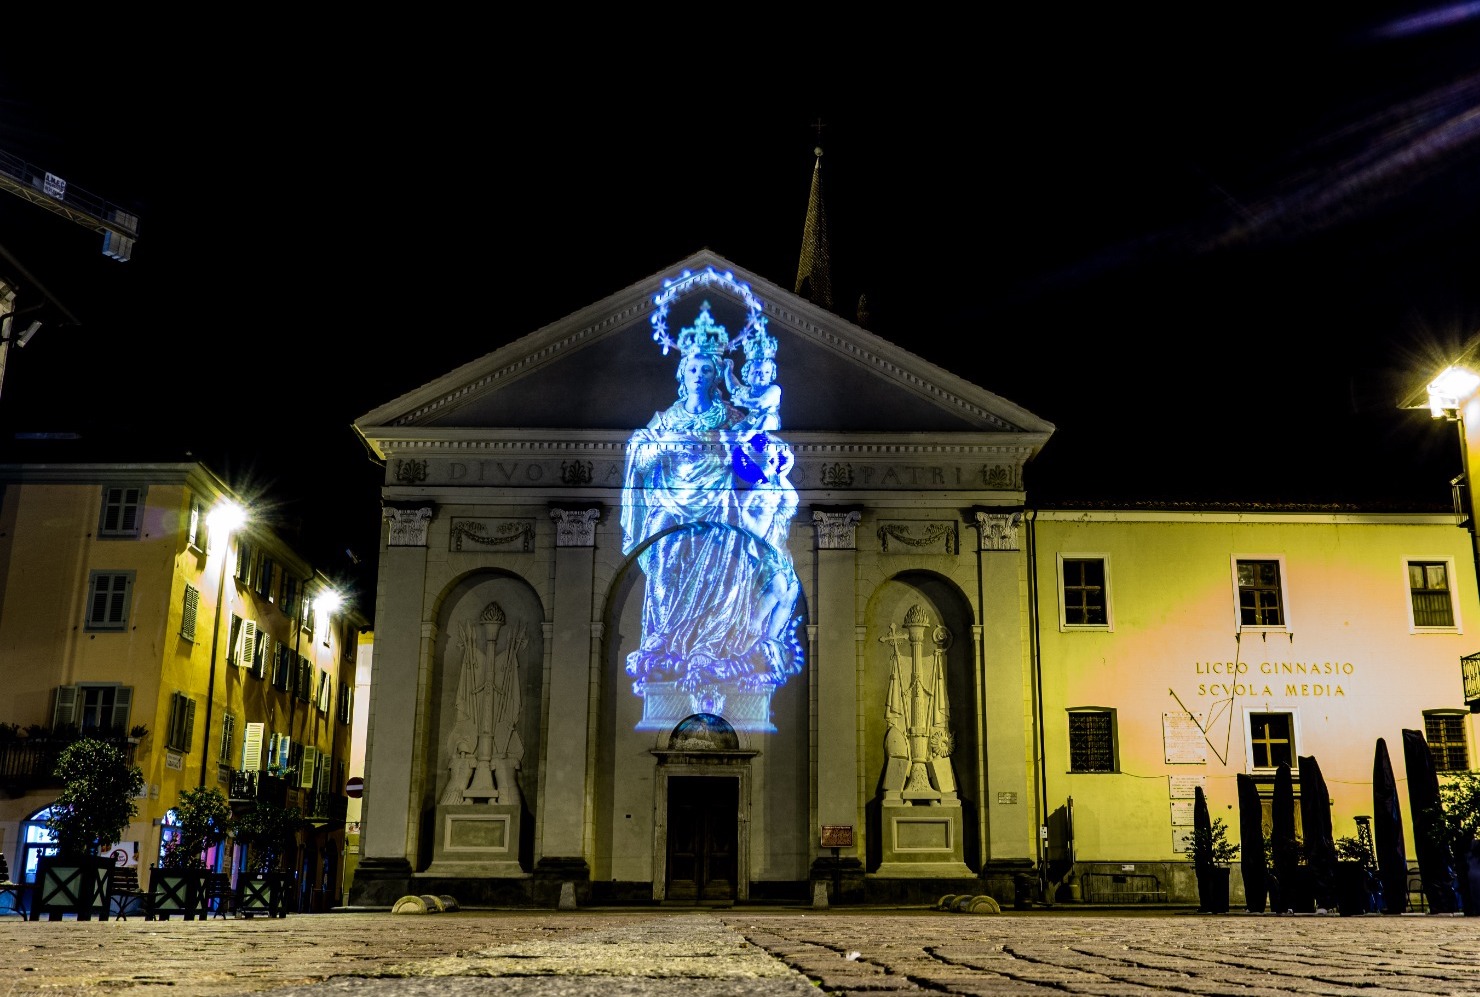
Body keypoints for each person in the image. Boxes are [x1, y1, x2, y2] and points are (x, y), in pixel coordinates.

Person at [621, 302, 803, 692]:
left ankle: (712, 641)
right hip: (673, 502)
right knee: (660, 539)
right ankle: (663, 635)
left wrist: (774, 458)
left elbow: (753, 457)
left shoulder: (731, 418)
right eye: (692, 368)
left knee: (726, 555)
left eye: (706, 368)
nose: (699, 374)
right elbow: (644, 452)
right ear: (682, 375)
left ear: (716, 375)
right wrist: (654, 449)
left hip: (719, 508)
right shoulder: (668, 418)